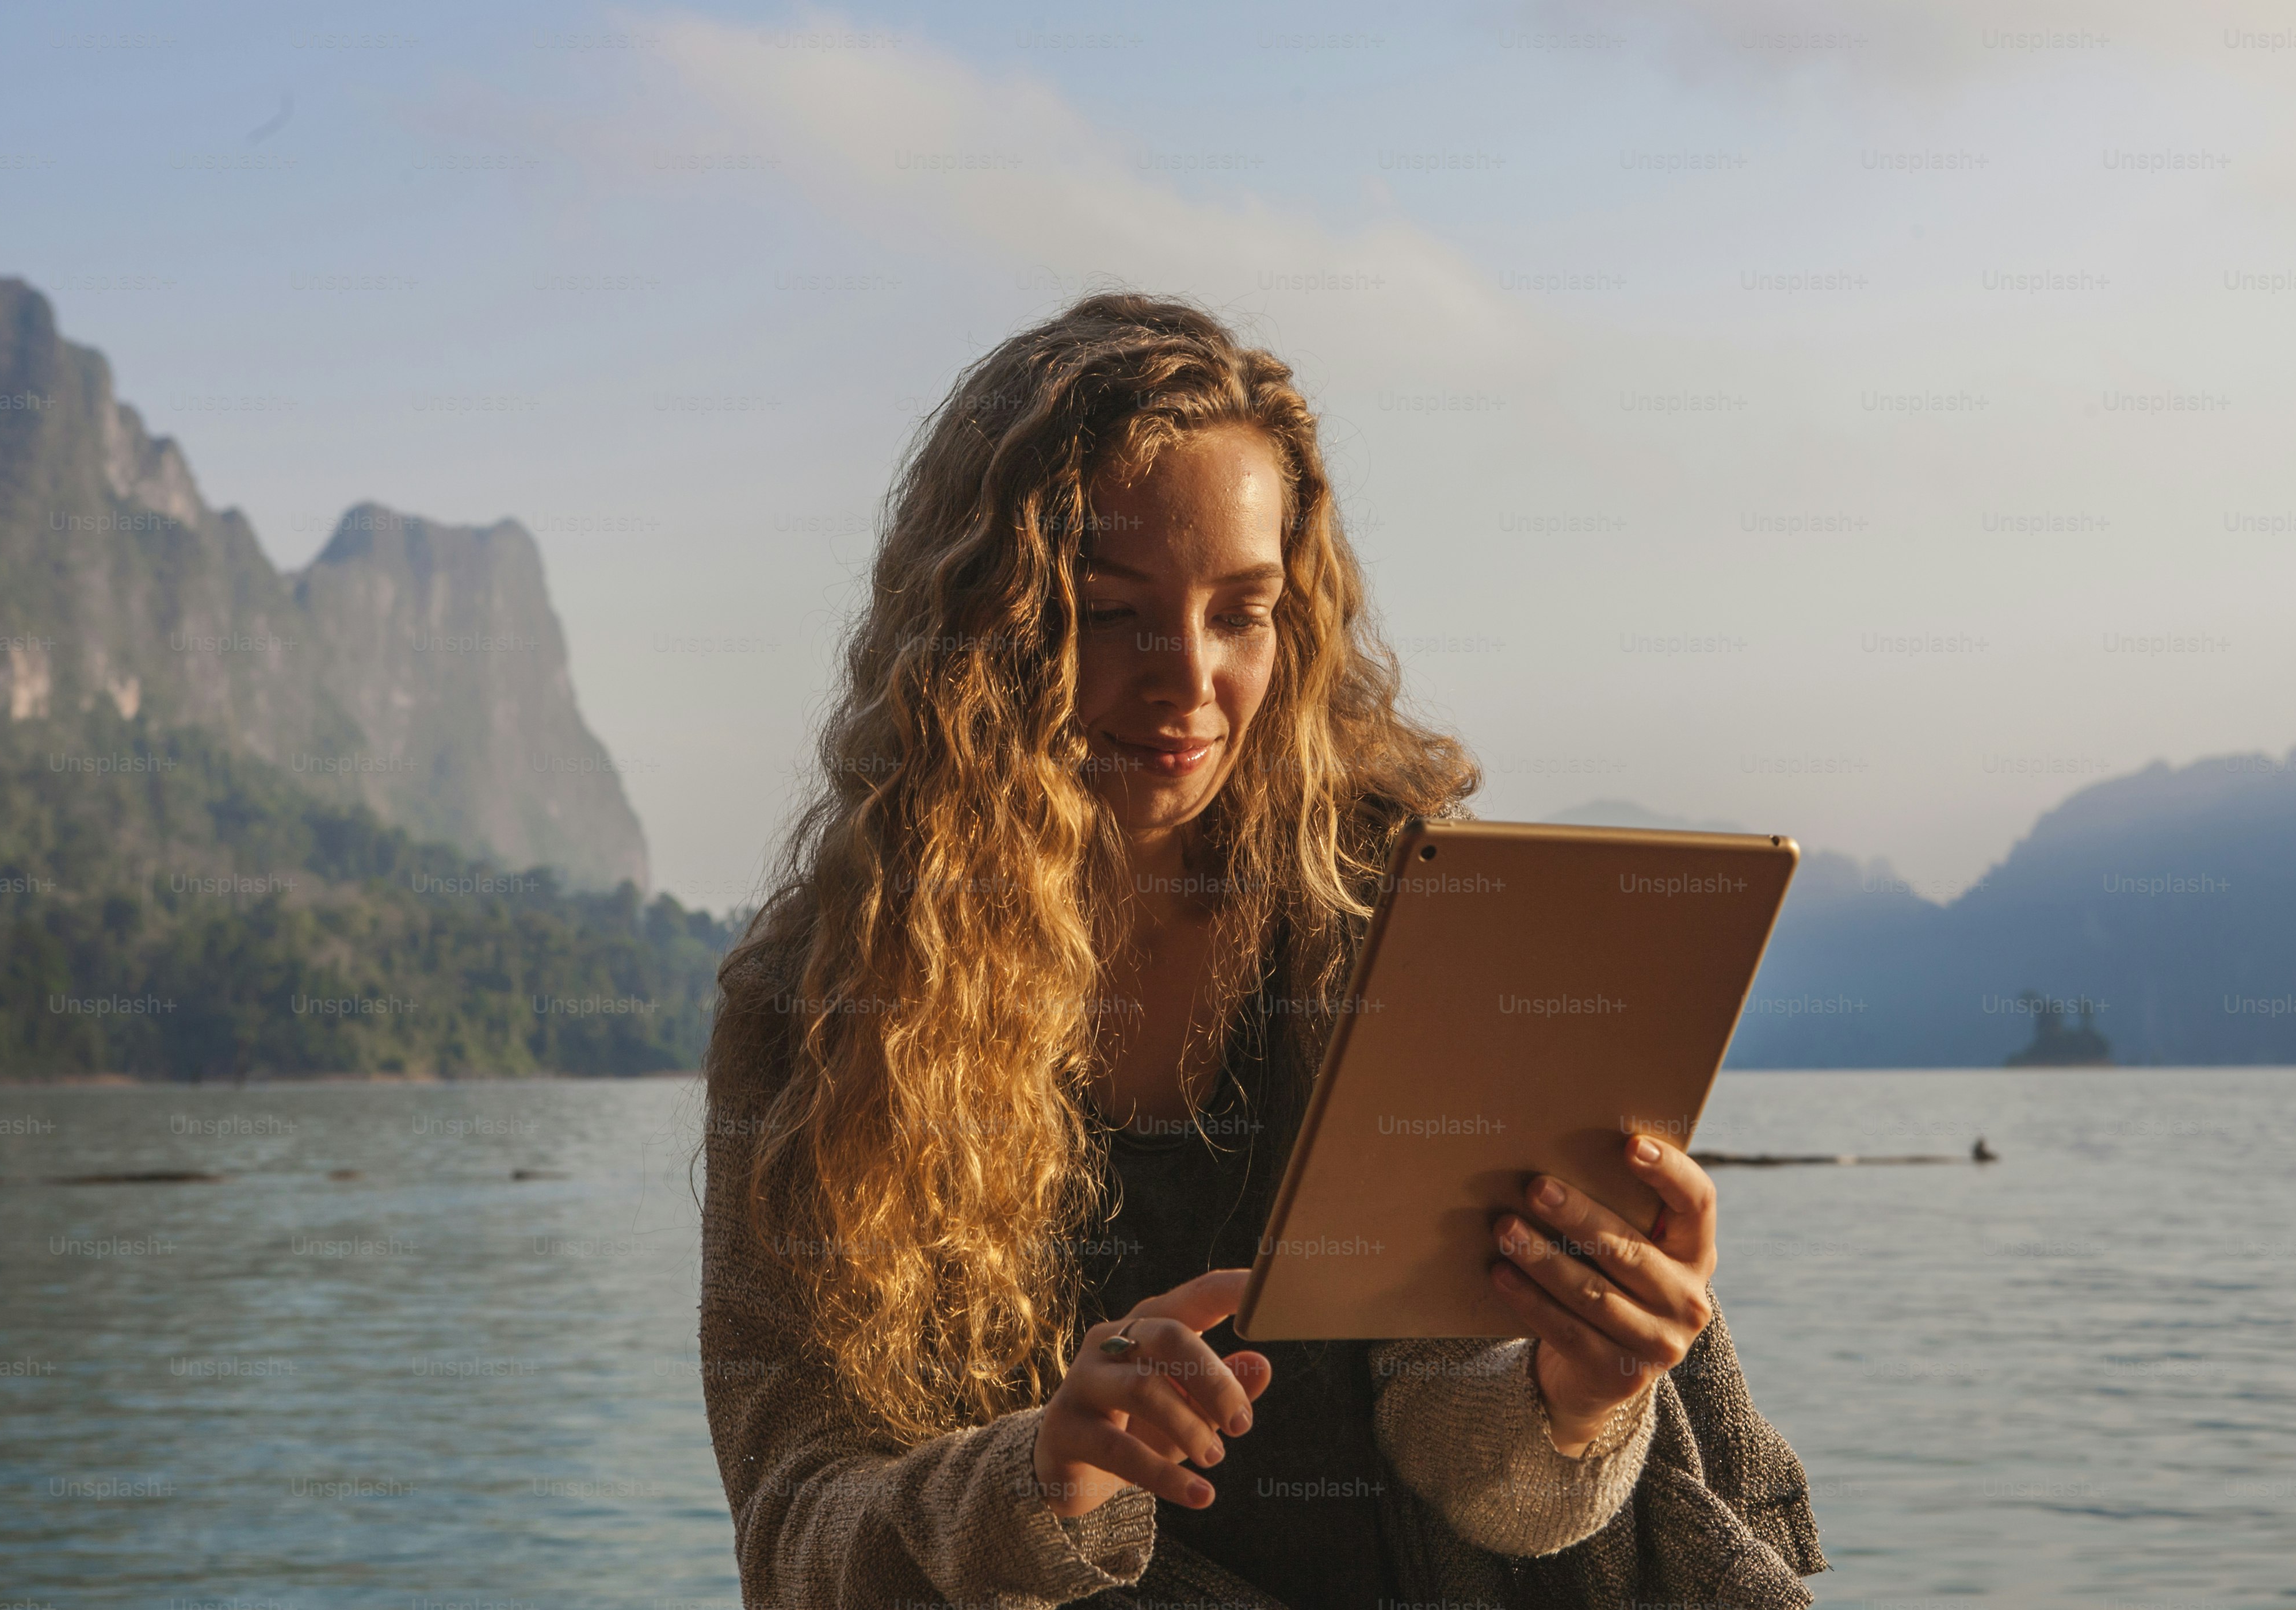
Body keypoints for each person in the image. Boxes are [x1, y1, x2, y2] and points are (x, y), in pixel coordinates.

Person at [701, 292, 1826, 1609]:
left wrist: (1569, 1396)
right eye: (1110, 612)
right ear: (984, 629)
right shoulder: (817, 1007)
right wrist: (1037, 1478)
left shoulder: (1404, 911)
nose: (1187, 681)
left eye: (1240, 612)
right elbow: (794, 1528)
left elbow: (1477, 1465)